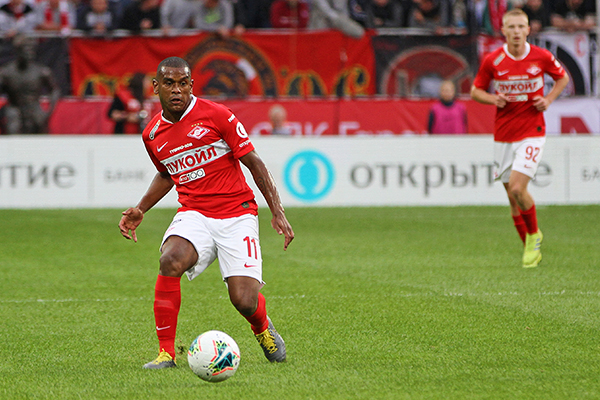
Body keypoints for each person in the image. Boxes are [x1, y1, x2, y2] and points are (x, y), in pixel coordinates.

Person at [118, 57, 294, 369]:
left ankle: (262, 328)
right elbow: (167, 174)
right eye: (169, 84)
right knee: (170, 259)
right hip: (194, 213)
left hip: (237, 214)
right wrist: (141, 208)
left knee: (244, 300)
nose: (176, 90)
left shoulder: (217, 115)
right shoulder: (152, 134)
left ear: (191, 86)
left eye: (182, 83)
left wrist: (277, 211)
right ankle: (166, 354)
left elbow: (254, 162)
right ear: (156, 87)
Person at [470, 9, 569, 268]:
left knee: (517, 188)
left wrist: (548, 100)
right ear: (503, 30)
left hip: (531, 131)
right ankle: (530, 249)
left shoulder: (541, 56)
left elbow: (562, 78)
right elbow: (475, 91)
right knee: (512, 198)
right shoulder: (493, 60)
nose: (516, 31)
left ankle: (534, 235)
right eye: (511, 27)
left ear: (528, 29)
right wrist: (493, 98)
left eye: (520, 26)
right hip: (504, 133)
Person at [0, 35, 60, 134]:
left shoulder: (42, 71)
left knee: (39, 119)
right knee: (12, 121)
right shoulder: (6, 72)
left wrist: (49, 111)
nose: (29, 52)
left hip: (34, 107)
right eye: (26, 49)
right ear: (18, 51)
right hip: (15, 107)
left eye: (32, 49)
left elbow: (54, 90)